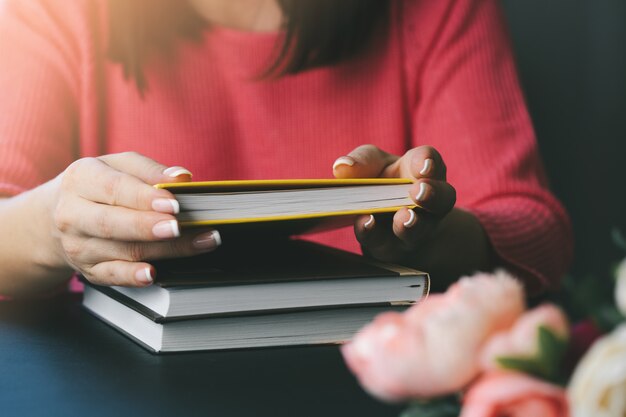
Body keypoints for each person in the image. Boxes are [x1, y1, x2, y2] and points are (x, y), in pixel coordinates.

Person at [0, 0, 572, 297]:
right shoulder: (58, 12)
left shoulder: (429, 10)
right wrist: (55, 224)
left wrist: (425, 233)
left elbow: (534, 230)